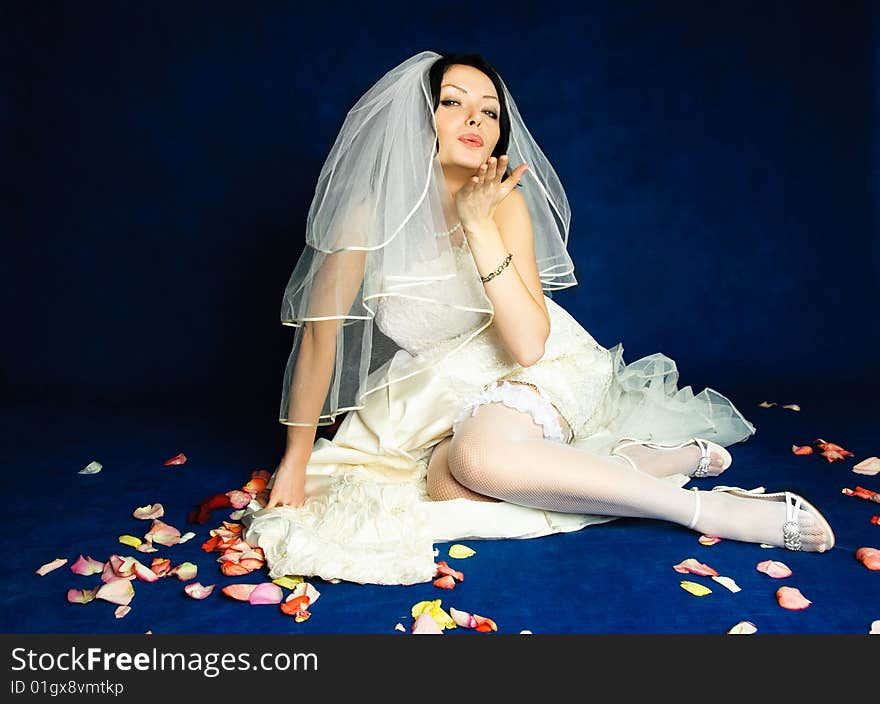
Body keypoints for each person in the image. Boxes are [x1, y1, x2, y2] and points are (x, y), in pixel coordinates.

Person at [241, 50, 834, 586]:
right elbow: (319, 340)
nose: (476, 121)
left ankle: (710, 509)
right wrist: (295, 460)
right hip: (439, 397)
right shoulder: (364, 220)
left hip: (537, 367)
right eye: (453, 104)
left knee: (478, 463)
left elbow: (527, 343)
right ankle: (627, 463)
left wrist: (477, 224)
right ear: (419, 121)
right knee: (449, 488)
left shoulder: (506, 205)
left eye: (489, 112)